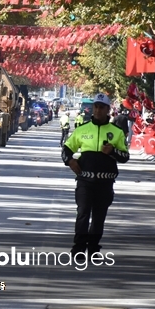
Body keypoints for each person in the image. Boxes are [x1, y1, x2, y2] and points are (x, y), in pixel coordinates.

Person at [62, 93, 130, 255]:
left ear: (107, 109)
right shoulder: (82, 129)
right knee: (83, 213)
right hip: (85, 181)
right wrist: (70, 161)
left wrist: (112, 151)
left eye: (102, 107)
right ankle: (79, 246)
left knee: (99, 217)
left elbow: (125, 157)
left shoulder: (117, 132)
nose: (98, 110)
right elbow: (66, 149)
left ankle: (93, 247)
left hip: (105, 184)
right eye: (96, 107)